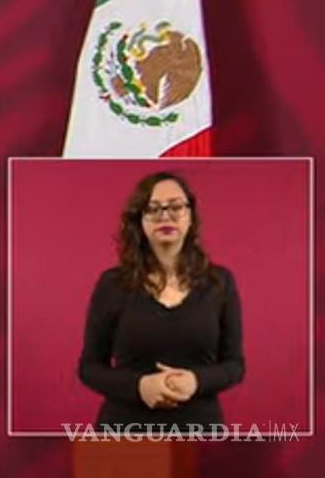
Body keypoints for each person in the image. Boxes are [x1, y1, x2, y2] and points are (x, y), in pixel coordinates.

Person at [78, 171, 244, 433]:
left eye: (175, 207)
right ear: (139, 221)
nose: (165, 216)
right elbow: (89, 368)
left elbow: (234, 365)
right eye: (153, 209)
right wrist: (139, 387)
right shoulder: (112, 284)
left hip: (199, 432)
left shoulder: (219, 283)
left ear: (190, 216)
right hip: (124, 433)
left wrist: (196, 381)